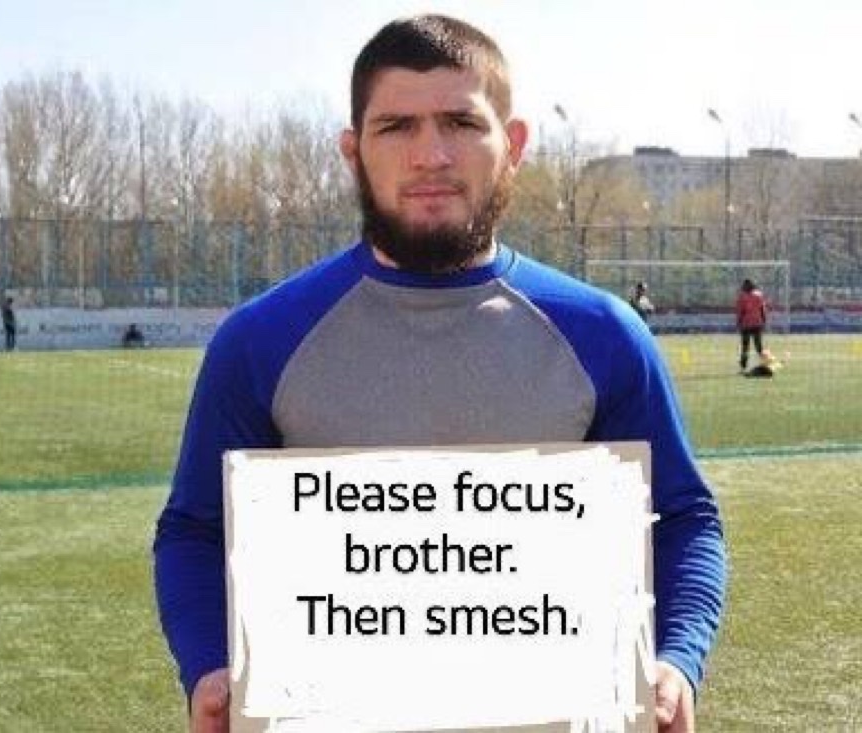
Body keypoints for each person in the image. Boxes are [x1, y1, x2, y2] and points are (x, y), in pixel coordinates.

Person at [154, 15, 726, 733]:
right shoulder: (259, 340)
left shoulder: (604, 336)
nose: (430, 155)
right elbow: (195, 529)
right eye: (396, 127)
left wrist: (676, 657)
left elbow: (681, 519)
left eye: (460, 122)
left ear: (513, 145)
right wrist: (208, 662)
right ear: (353, 151)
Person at [736, 278, 766, 372]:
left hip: (746, 324)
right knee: (759, 346)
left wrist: (738, 322)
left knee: (745, 347)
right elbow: (762, 309)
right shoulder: (759, 295)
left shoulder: (742, 297)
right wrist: (763, 320)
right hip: (757, 323)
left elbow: (740, 311)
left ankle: (743, 367)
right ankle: (765, 363)